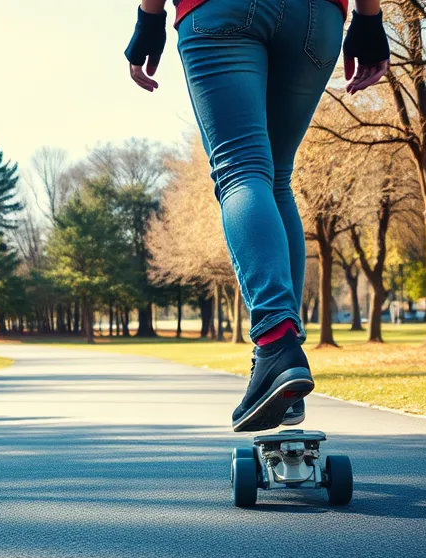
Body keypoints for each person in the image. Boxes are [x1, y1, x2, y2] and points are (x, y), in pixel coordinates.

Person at [125, 0, 389, 431]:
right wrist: (369, 18)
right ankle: (284, 361)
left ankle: (276, 343)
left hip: (221, 11)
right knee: (276, 177)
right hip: (315, 16)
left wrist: (149, 18)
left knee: (242, 170)